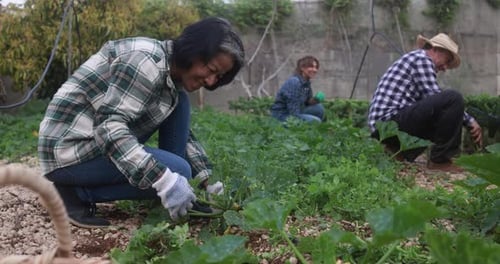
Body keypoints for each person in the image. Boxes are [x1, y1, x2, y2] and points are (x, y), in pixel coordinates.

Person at [37, 17, 245, 228]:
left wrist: (207, 182)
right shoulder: (145, 62)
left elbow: (184, 135)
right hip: (68, 153)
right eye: (210, 69)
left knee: (179, 103)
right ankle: (74, 193)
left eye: (218, 76)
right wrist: (165, 180)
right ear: (193, 51)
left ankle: (178, 190)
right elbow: (108, 128)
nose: (210, 81)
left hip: (93, 144)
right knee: (178, 171)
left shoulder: (170, 74)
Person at [368, 33, 482, 172]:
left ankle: (398, 152)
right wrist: (470, 121)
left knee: (440, 114)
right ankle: (440, 160)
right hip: (388, 124)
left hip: (385, 126)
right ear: (435, 50)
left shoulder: (415, 59)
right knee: (453, 98)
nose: (445, 68)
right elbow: (435, 95)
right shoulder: (422, 59)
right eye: (446, 61)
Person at [270, 55, 325, 123]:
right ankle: (284, 126)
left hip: (296, 111)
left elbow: (307, 102)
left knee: (318, 108)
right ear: (302, 68)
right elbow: (293, 112)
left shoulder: (306, 83)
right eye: (311, 67)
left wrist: (315, 100)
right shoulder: (294, 82)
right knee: (316, 121)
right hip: (282, 115)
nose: (314, 70)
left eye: (316, 67)